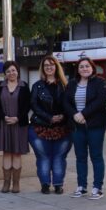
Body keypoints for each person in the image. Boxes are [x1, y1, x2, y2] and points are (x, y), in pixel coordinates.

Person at [64, 57, 106, 199]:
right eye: (81, 66)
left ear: (92, 68)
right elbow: (66, 102)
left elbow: (100, 101)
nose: (84, 69)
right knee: (80, 157)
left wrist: (83, 114)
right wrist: (74, 115)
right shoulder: (71, 84)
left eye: (87, 66)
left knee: (96, 156)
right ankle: (81, 186)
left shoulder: (100, 82)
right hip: (77, 127)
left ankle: (97, 188)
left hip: (95, 125)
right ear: (78, 69)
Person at [29, 55, 72, 195]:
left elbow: (71, 104)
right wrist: (50, 118)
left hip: (63, 127)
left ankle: (58, 184)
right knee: (43, 157)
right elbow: (34, 106)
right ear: (42, 68)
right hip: (41, 126)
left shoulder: (66, 85)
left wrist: (63, 116)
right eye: (46, 65)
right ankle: (45, 184)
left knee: (59, 157)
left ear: (56, 67)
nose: (49, 67)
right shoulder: (37, 86)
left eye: (52, 65)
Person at [0, 61, 30, 193]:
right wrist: (4, 117)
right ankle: (6, 183)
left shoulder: (24, 86)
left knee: (17, 153)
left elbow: (27, 105)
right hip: (4, 124)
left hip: (19, 125)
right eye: (8, 71)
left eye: (13, 70)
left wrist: (17, 118)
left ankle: (16, 184)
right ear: (5, 74)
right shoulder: (0, 86)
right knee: (7, 153)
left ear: (18, 71)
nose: (11, 73)